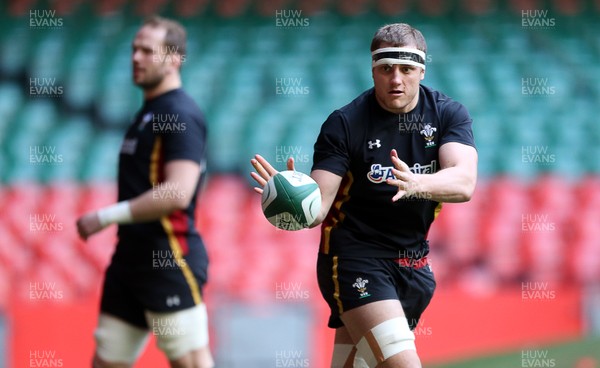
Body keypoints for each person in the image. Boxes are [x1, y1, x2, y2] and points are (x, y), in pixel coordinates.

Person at [251, 23, 477, 368]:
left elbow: (464, 183)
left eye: (406, 69)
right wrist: (292, 201)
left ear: (421, 70)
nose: (396, 79)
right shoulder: (345, 123)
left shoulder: (448, 114)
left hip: (413, 264)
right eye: (386, 69)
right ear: (373, 70)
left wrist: (417, 183)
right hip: (355, 259)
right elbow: (319, 207)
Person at [76, 16, 214, 368]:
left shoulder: (180, 113)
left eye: (147, 51)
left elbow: (178, 192)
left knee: (190, 363)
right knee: (107, 362)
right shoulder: (148, 113)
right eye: (134, 49)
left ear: (174, 58)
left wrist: (105, 216)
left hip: (167, 257)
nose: (136, 57)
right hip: (129, 261)